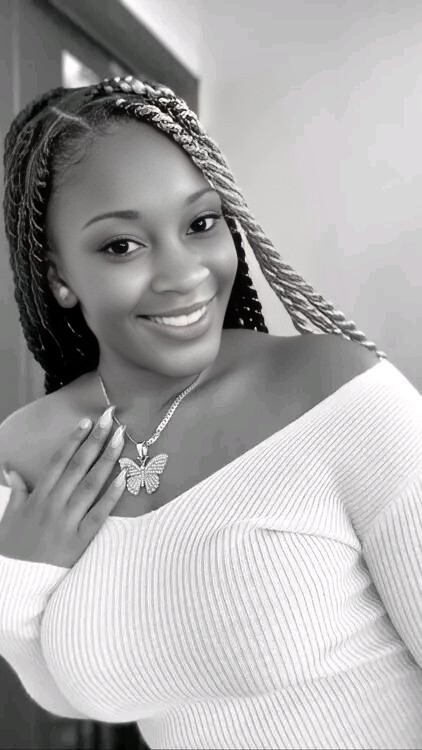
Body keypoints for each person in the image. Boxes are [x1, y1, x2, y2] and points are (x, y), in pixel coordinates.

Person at [0, 75, 421, 750]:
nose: (184, 275)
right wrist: (18, 569)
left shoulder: (341, 395)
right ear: (58, 274)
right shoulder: (26, 449)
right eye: (121, 245)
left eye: (201, 224)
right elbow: (64, 693)